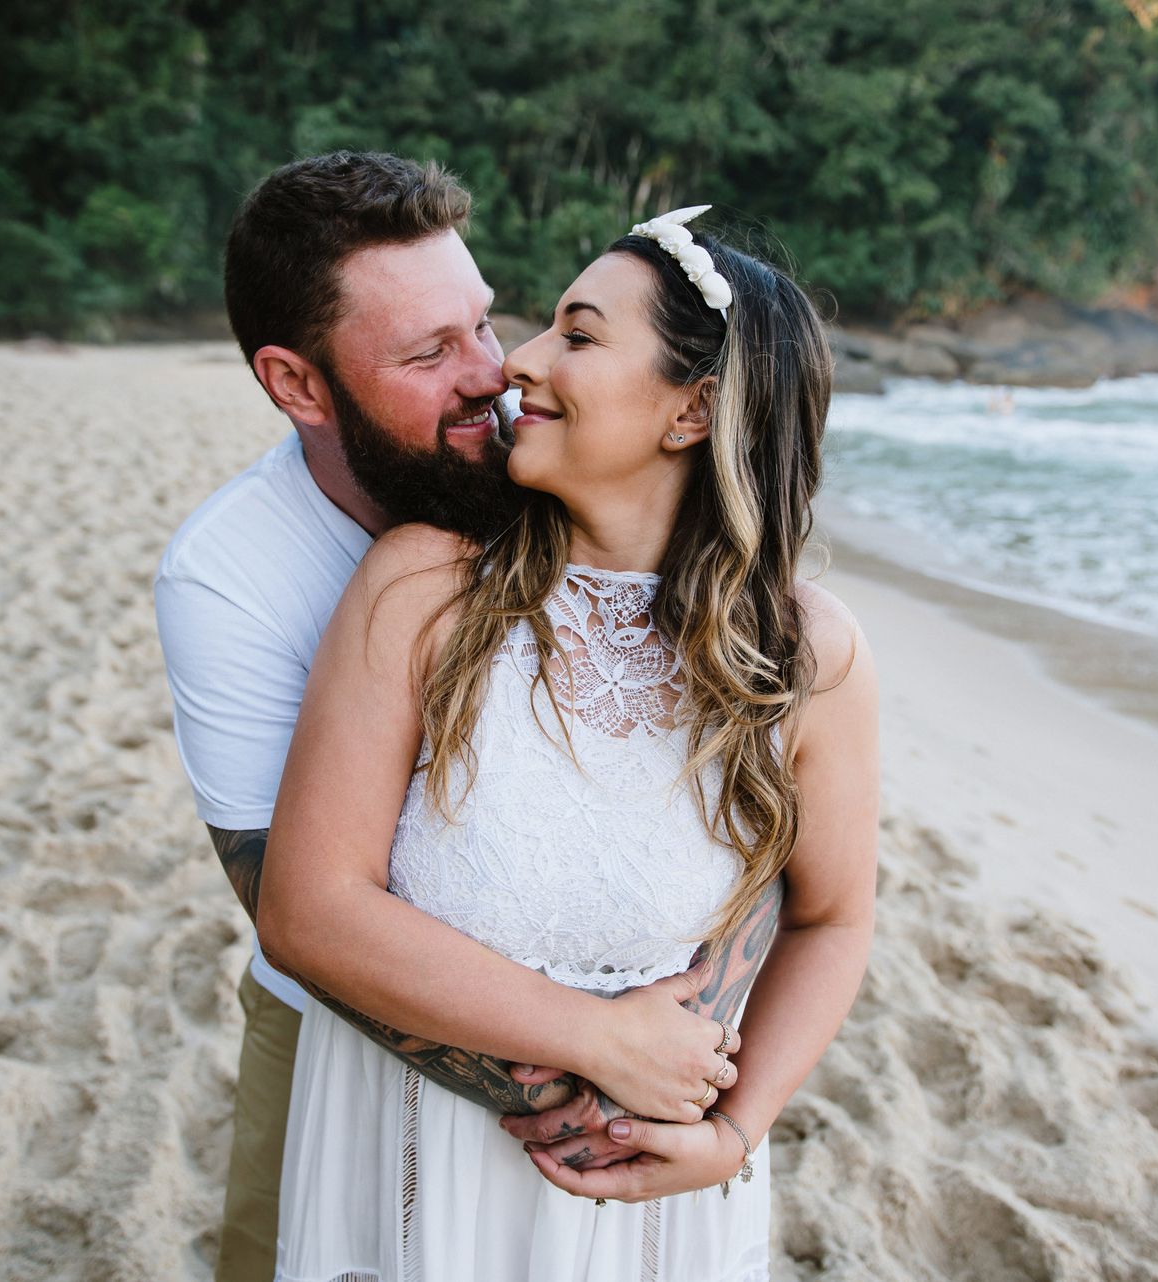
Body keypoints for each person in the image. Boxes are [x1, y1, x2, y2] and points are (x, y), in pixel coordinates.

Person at [155, 156, 786, 1282]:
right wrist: (596, 1065)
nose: (495, 373)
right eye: (427, 353)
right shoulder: (233, 576)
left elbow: (757, 813)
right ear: (299, 386)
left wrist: (686, 1088)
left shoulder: (539, 467)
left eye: (484, 322)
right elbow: (296, 908)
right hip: (351, 1038)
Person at [259, 207, 880, 1278]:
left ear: (692, 410)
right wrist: (597, 1037)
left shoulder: (804, 655)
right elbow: (306, 910)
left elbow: (833, 918)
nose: (519, 362)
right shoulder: (424, 588)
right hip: (415, 1167)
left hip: (649, 1207)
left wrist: (734, 1133)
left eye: (578, 336)